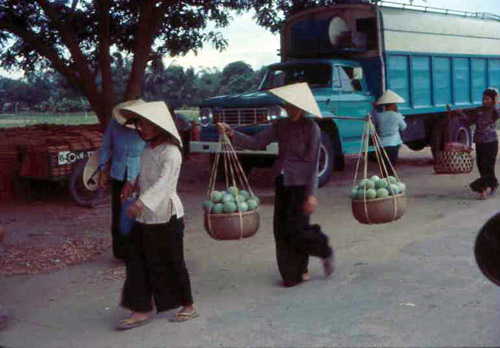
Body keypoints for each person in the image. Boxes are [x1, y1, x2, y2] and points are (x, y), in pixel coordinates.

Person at [217, 82, 334, 288]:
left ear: (300, 106)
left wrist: (311, 194)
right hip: (282, 182)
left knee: (298, 229)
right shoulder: (280, 125)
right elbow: (256, 143)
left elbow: (313, 163)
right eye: (285, 103)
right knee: (281, 230)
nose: (286, 107)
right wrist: (231, 133)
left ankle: (323, 248)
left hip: (300, 185)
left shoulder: (311, 128)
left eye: (290, 104)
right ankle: (293, 273)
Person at [115, 101, 197, 330]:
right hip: (145, 217)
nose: (141, 127)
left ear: (160, 126)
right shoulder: (147, 149)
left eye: (146, 124)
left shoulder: (171, 152)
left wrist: (141, 202)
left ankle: (188, 305)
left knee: (173, 262)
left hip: (167, 216)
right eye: (139, 123)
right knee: (137, 262)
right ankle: (140, 309)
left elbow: (163, 185)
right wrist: (132, 184)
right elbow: (145, 175)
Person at [99, 99, 146, 261]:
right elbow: (106, 145)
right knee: (119, 212)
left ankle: (138, 250)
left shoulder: (146, 125)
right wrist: (103, 169)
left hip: (140, 173)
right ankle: (121, 252)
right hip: (118, 173)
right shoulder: (114, 123)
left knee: (138, 212)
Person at [455, 88, 500, 200]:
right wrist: (461, 113)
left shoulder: (495, 110)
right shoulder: (479, 110)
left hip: (491, 142)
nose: (485, 101)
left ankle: (482, 189)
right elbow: (469, 121)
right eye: (484, 98)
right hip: (480, 142)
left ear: (493, 100)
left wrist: (496, 100)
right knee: (481, 166)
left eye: (488, 99)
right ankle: (493, 183)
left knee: (488, 165)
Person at [372, 89, 407, 176]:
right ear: (393, 105)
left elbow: (374, 127)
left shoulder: (379, 116)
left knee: (384, 167)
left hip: (382, 143)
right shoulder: (396, 116)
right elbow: (403, 127)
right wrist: (401, 118)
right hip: (393, 143)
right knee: (392, 166)